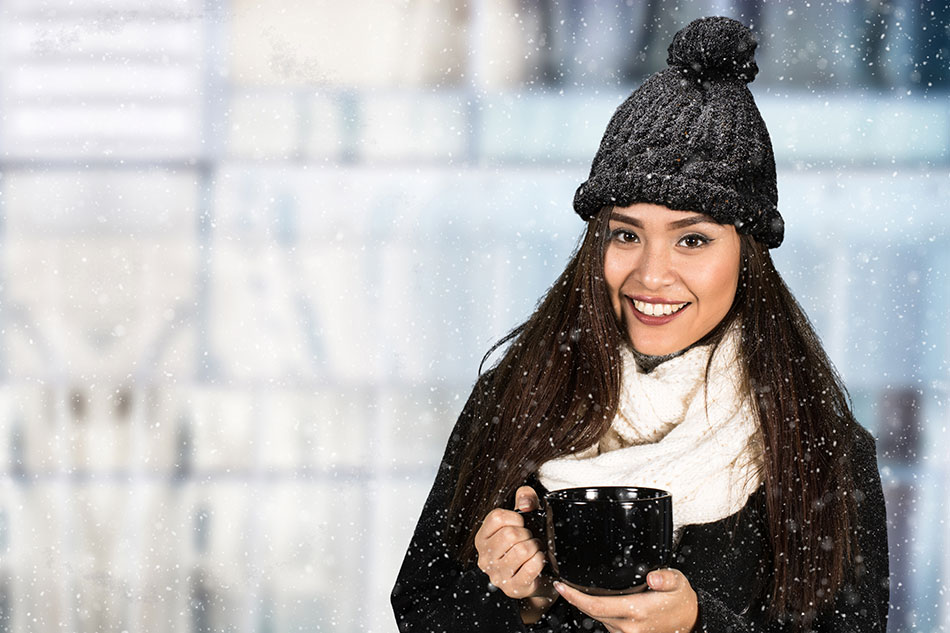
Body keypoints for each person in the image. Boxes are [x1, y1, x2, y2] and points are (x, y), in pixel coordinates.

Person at [391, 16, 889, 633]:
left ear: (748, 255)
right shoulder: (516, 396)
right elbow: (422, 611)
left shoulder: (820, 441)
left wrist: (698, 625)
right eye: (626, 234)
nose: (651, 276)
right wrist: (511, 599)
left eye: (693, 240)